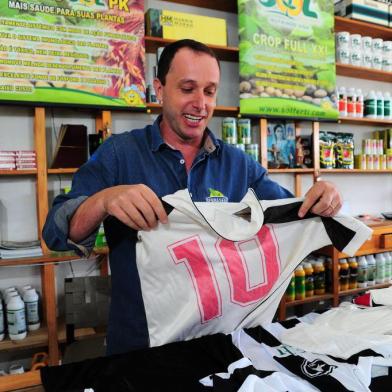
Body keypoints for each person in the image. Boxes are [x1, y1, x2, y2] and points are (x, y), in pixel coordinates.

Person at [43, 39, 342, 356]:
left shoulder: (240, 166)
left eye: (210, 91)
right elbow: (57, 233)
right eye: (188, 89)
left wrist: (323, 200)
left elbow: (292, 216)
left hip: (222, 344)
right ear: (159, 89)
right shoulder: (119, 154)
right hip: (141, 348)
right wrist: (103, 200)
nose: (201, 103)